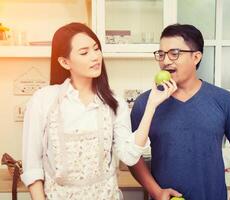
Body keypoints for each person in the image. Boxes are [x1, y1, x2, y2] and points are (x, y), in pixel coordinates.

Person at [21, 22, 177, 200]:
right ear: (64, 62)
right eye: (84, 52)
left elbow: (130, 156)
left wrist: (152, 105)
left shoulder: (114, 103)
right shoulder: (43, 100)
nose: (95, 57)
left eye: (96, 49)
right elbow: (32, 166)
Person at [129, 24, 230, 200]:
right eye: (161, 54)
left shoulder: (224, 100)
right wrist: (156, 192)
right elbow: (132, 156)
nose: (165, 61)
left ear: (196, 57)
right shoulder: (145, 104)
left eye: (174, 53)